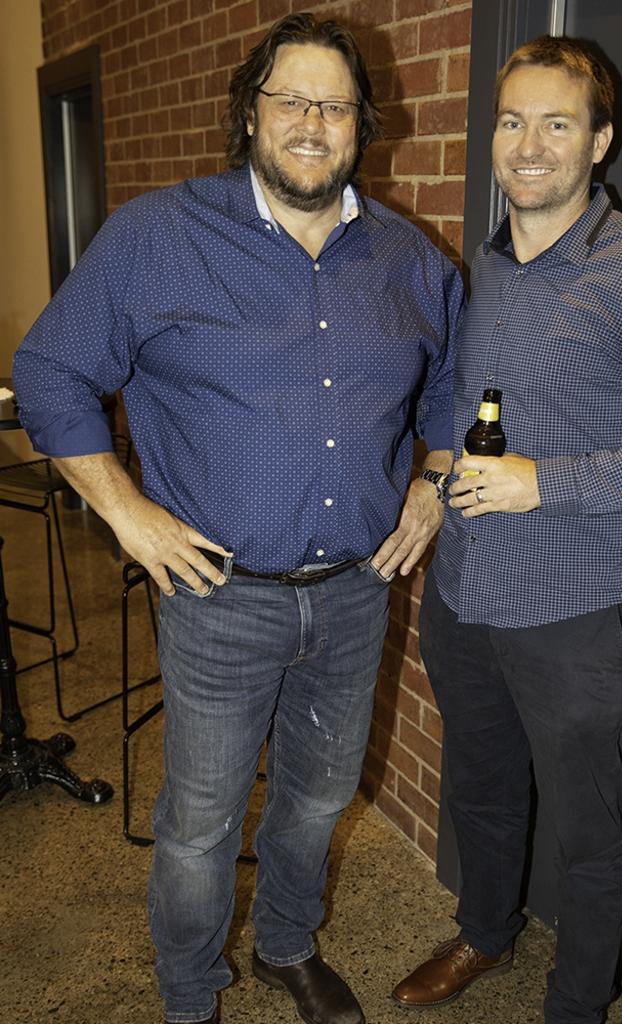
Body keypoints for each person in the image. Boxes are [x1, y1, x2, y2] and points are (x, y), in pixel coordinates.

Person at [14, 13, 462, 1024]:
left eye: (335, 103)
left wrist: (433, 483)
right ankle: (188, 994)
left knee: (314, 799)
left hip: (354, 596)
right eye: (290, 98)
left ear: (362, 125)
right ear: (249, 114)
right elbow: (51, 371)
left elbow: (453, 388)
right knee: (202, 820)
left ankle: (287, 945)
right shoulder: (159, 237)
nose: (312, 121)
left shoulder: (407, 257)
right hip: (217, 596)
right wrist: (125, 511)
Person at [391, 35, 622, 1024]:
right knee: (483, 788)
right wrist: (436, 473)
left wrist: (550, 482)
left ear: (601, 141)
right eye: (512, 120)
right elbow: (466, 408)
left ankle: (576, 1004)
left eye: (557, 122)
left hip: (576, 613)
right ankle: (486, 931)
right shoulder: (488, 263)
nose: (528, 145)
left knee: (591, 834)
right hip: (465, 595)